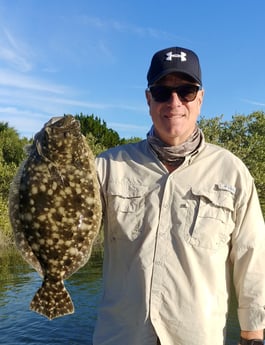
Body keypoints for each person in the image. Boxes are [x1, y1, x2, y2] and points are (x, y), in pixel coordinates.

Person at [93, 46, 265, 345]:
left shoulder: (232, 171)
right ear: (148, 99)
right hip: (122, 336)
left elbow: (252, 257)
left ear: (200, 98)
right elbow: (65, 225)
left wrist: (252, 334)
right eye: (162, 91)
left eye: (186, 91)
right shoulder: (105, 167)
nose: (174, 102)